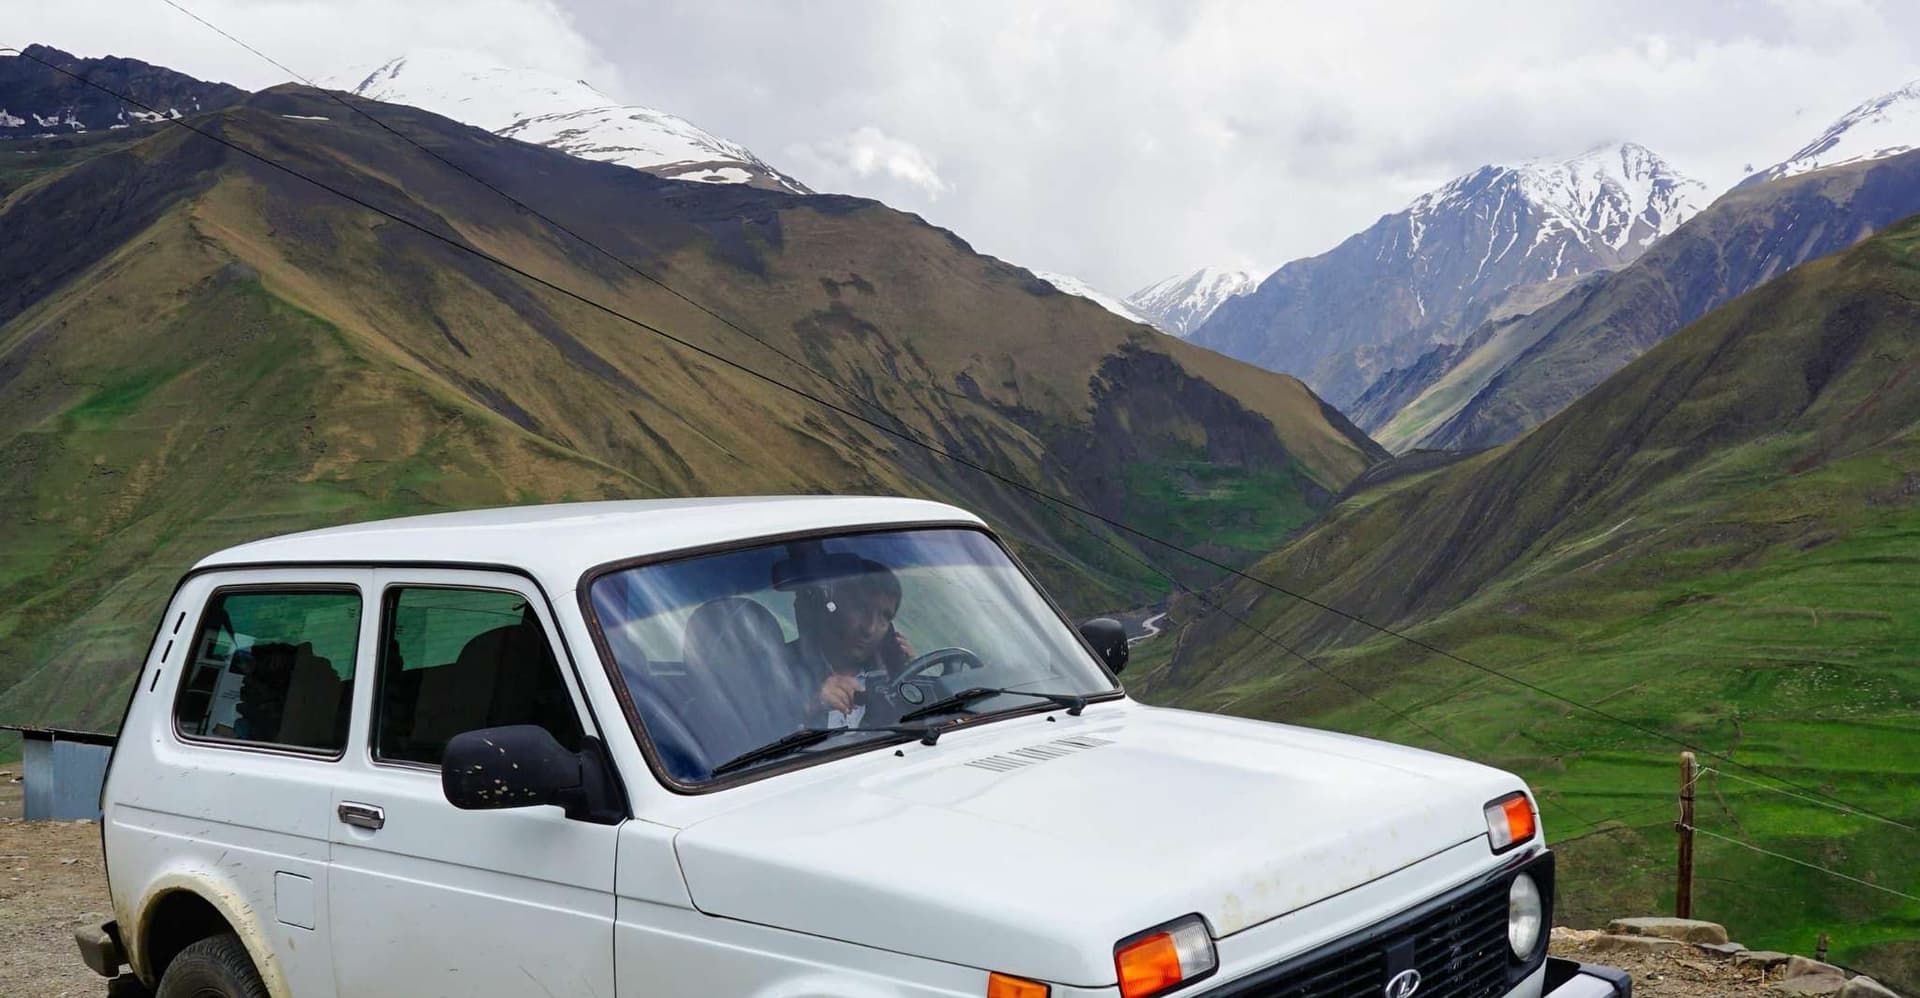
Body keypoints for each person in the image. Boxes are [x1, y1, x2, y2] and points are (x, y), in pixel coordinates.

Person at [789, 558, 914, 727]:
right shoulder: (780, 667)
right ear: (832, 606)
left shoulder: (888, 681)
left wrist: (907, 678)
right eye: (862, 608)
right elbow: (751, 732)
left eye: (884, 617)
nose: (869, 628)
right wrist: (810, 707)